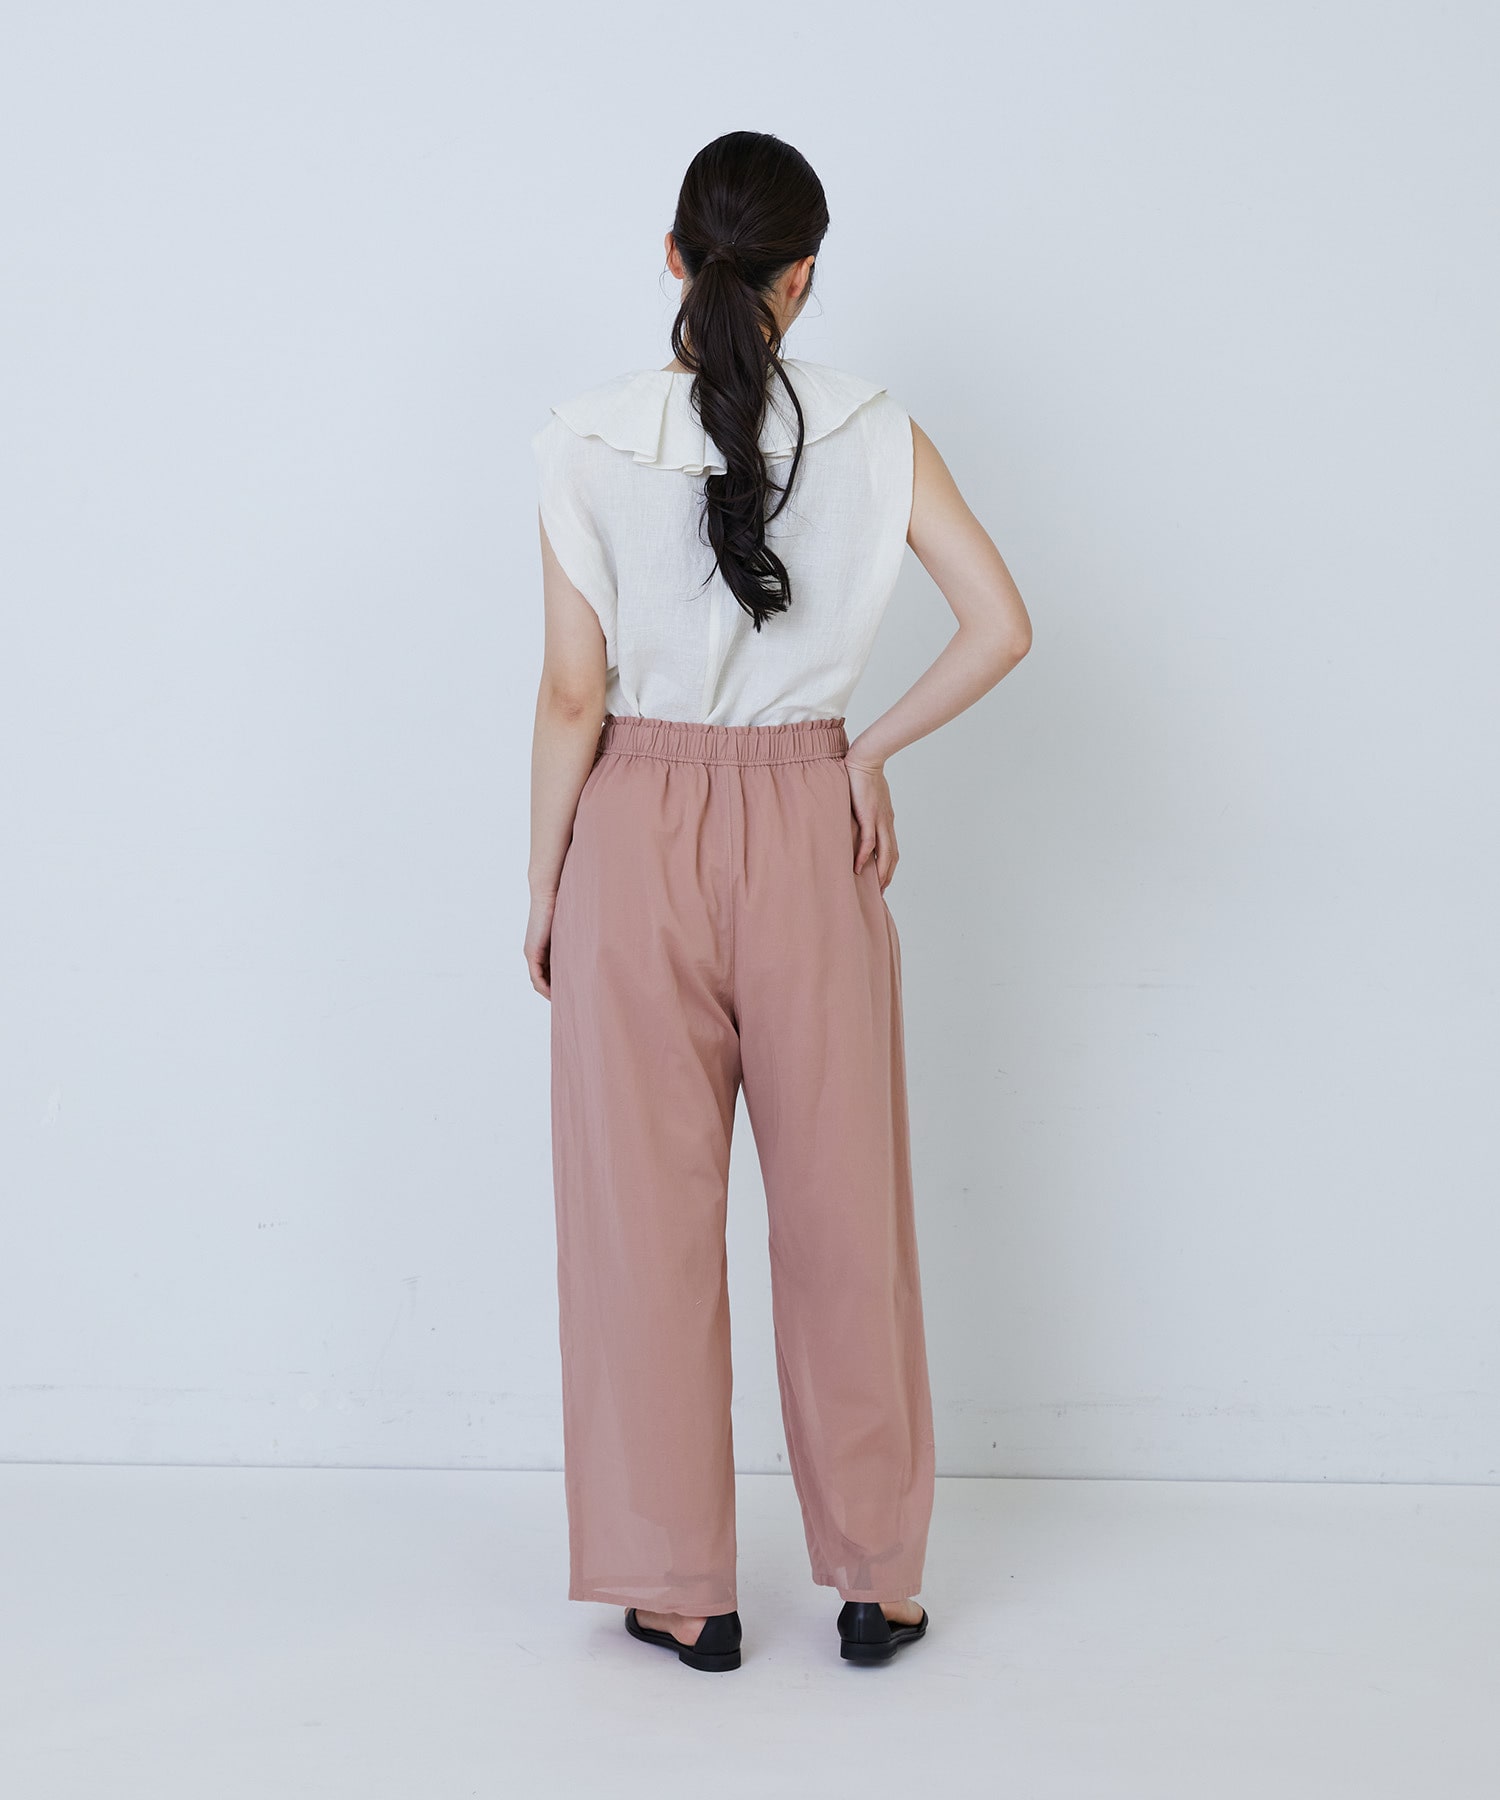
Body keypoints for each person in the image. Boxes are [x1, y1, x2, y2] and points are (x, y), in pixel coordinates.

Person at [525, 130, 1032, 1673]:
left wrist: (544, 884)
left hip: (632, 835)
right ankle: (877, 1579)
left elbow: (570, 695)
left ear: (676, 259)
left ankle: (681, 1588)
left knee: (642, 1225)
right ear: (805, 276)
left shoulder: (585, 439)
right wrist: (862, 752)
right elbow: (1000, 624)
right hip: (813, 826)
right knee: (845, 1214)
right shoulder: (879, 433)